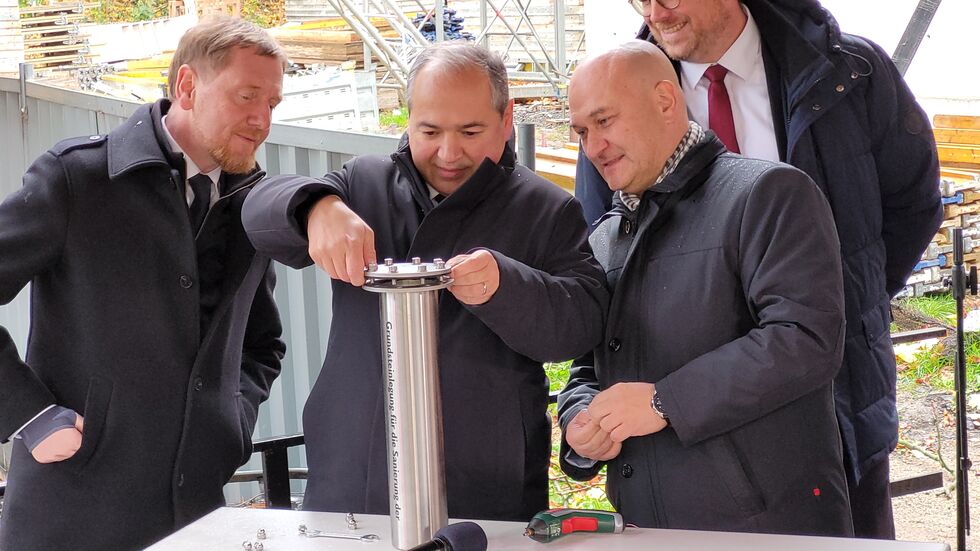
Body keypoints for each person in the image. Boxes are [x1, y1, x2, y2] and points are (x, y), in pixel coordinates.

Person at [574, 0, 943, 537]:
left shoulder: (849, 72)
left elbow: (913, 203)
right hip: (689, 441)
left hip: (840, 395)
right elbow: (608, 267)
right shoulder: (613, 106)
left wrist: (838, 308)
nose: (656, 9)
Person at [242, 41, 607, 521]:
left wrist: (506, 286)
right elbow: (256, 212)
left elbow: (581, 322)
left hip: (484, 484)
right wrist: (313, 208)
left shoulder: (546, 208)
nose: (448, 153)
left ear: (505, 119)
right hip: (353, 474)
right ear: (408, 120)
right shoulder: (362, 184)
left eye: (471, 131)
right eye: (429, 130)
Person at [0, 17, 287, 551]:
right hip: (71, 518)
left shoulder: (252, 204)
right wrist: (30, 416)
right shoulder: (78, 179)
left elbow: (261, 344)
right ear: (187, 86)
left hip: (199, 521)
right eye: (247, 96)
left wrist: (230, 423)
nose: (262, 120)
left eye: (272, 103)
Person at [559, 41, 853, 536]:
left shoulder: (768, 194)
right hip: (645, 525)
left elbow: (806, 339)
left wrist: (663, 402)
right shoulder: (608, 234)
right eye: (582, 131)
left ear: (666, 101)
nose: (593, 147)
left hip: (767, 528)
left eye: (605, 122)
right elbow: (591, 361)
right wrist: (580, 424)